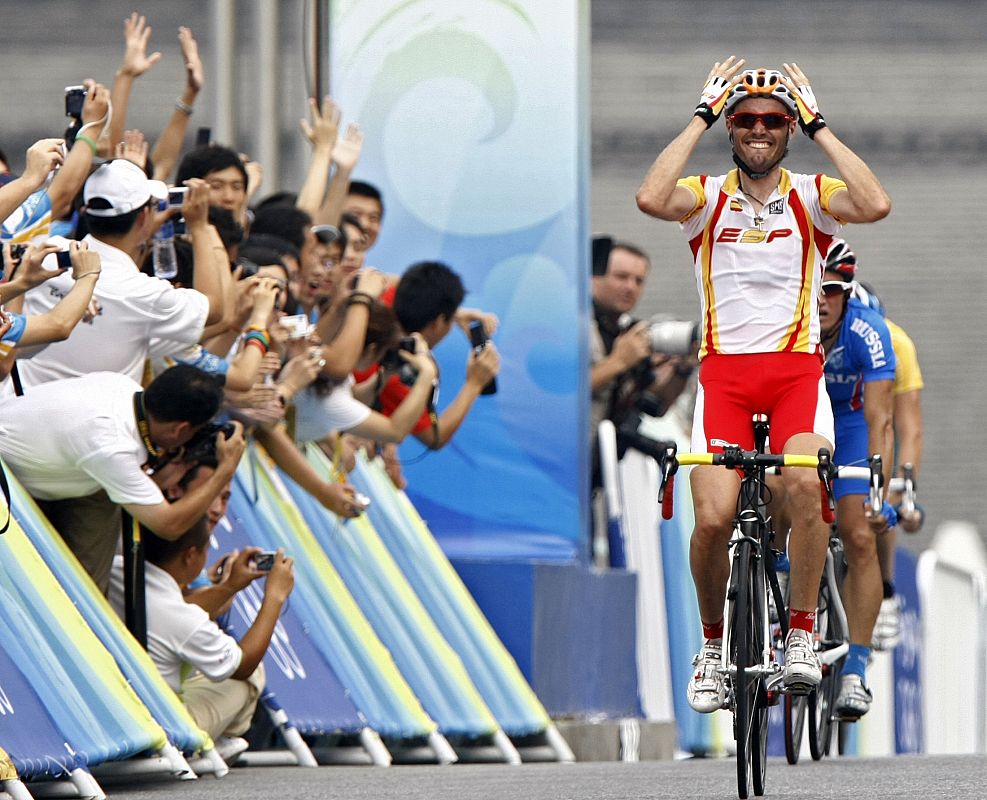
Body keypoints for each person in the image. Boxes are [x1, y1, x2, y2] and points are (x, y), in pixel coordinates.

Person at [635, 58, 891, 712]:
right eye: (744, 120)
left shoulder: (810, 194)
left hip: (792, 378)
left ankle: (800, 633)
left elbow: (874, 204)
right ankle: (713, 647)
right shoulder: (704, 195)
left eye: (771, 121)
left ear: (787, 130)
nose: (757, 129)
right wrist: (698, 114)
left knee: (803, 485)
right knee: (713, 519)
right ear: (729, 128)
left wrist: (819, 125)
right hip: (722, 377)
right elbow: (649, 197)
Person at [0, 365, 245, 592]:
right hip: (9, 479)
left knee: (109, 501)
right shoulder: (113, 446)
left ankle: (83, 595)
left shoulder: (122, 385)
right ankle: (77, 605)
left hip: (36, 460)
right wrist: (225, 470)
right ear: (179, 429)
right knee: (108, 511)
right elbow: (169, 526)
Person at [13, 159, 229, 389]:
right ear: (144, 216)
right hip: (101, 420)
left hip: (20, 412)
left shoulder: (42, 253)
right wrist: (200, 227)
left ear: (86, 210)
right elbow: (214, 308)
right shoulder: (145, 294)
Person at [108, 517, 293, 758]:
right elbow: (243, 664)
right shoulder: (185, 620)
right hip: (162, 732)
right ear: (190, 555)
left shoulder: (114, 571)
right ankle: (208, 742)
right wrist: (274, 597)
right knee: (249, 678)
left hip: (109, 715)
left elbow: (165, 610)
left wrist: (228, 587)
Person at [830, 254, 925, 650]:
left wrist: (902, 481)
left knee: (879, 500)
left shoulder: (894, 343)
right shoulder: (819, 329)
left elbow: (907, 427)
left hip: (865, 419)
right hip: (827, 417)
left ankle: (884, 591)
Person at [817, 243, 896, 718]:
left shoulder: (868, 330)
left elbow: (881, 422)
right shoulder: (782, 321)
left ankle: (856, 670)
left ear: (846, 293)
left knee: (859, 533)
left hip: (848, 427)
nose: (821, 301)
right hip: (801, 418)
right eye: (813, 289)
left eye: (832, 290)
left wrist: (877, 492)